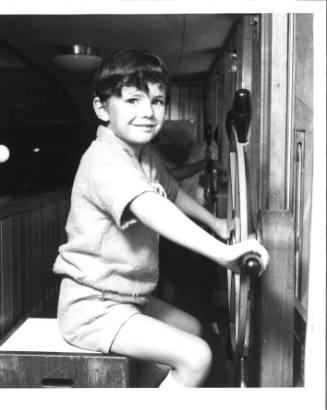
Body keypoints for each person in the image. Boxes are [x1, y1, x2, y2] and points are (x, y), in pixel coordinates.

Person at [53, 48, 269, 388]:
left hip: (132, 300)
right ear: (101, 108)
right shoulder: (104, 159)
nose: (148, 112)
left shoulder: (143, 155)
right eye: (133, 100)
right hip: (94, 307)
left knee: (194, 329)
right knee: (196, 357)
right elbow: (152, 208)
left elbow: (173, 192)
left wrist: (215, 223)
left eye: (157, 101)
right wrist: (222, 252)